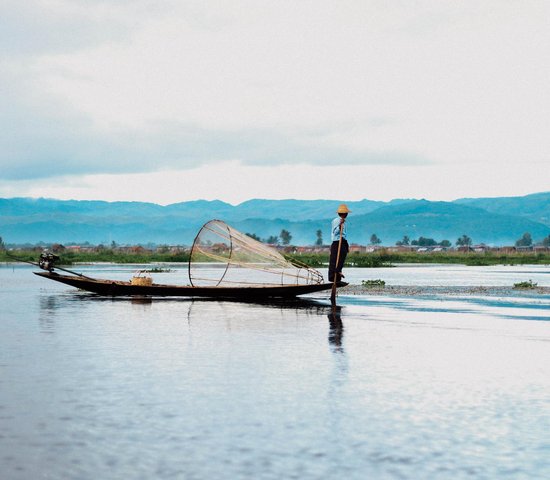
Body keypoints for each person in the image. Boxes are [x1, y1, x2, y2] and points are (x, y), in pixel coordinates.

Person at [328, 204, 350, 282]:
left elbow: (344, 234)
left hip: (342, 241)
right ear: (344, 213)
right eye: (346, 213)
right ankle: (333, 276)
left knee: (342, 256)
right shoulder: (336, 220)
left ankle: (338, 273)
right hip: (337, 241)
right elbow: (335, 232)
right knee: (334, 259)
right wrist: (340, 225)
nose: (347, 214)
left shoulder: (344, 221)